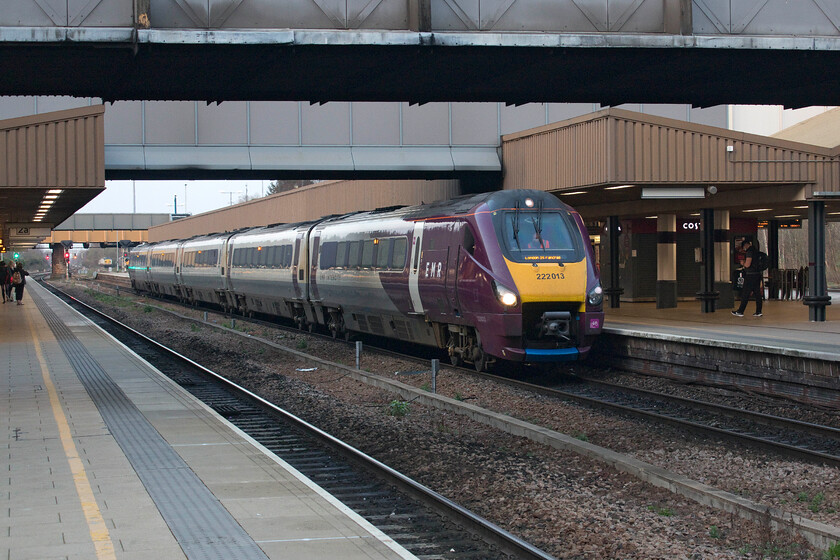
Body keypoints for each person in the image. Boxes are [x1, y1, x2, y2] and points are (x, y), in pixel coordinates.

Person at [732, 239, 763, 317]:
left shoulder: (749, 251)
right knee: (757, 293)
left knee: (745, 293)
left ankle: (740, 311)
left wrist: (743, 263)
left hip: (750, 275)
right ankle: (758, 311)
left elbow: (748, 264)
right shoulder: (756, 251)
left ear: (745, 245)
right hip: (758, 274)